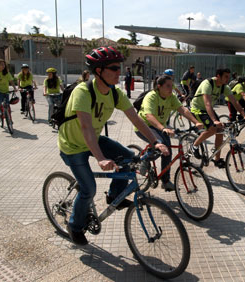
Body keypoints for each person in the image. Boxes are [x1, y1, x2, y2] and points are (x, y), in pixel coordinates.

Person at [58, 46, 169, 245]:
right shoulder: (82, 92)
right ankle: (74, 226)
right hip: (73, 145)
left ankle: (114, 196)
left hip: (94, 138)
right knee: (88, 189)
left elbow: (136, 120)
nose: (120, 72)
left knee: (128, 157)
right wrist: (100, 158)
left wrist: (156, 142)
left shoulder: (115, 93)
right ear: (99, 71)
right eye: (114, 68)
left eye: (120, 68)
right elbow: (85, 127)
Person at [135, 74, 203, 191]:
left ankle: (165, 181)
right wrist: (163, 128)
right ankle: (145, 159)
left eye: (172, 85)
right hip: (144, 126)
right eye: (168, 86)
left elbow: (183, 109)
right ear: (159, 86)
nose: (171, 88)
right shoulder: (151, 96)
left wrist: (196, 122)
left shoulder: (171, 97)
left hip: (159, 127)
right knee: (160, 144)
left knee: (168, 151)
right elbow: (149, 116)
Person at [189, 68, 245, 168]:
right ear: (218, 76)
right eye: (225, 76)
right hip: (198, 109)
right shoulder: (207, 83)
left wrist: (244, 115)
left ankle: (217, 160)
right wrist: (214, 120)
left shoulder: (224, 87)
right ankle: (194, 145)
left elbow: (234, 102)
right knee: (213, 129)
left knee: (220, 131)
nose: (228, 79)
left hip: (208, 110)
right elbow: (207, 103)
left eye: (228, 76)